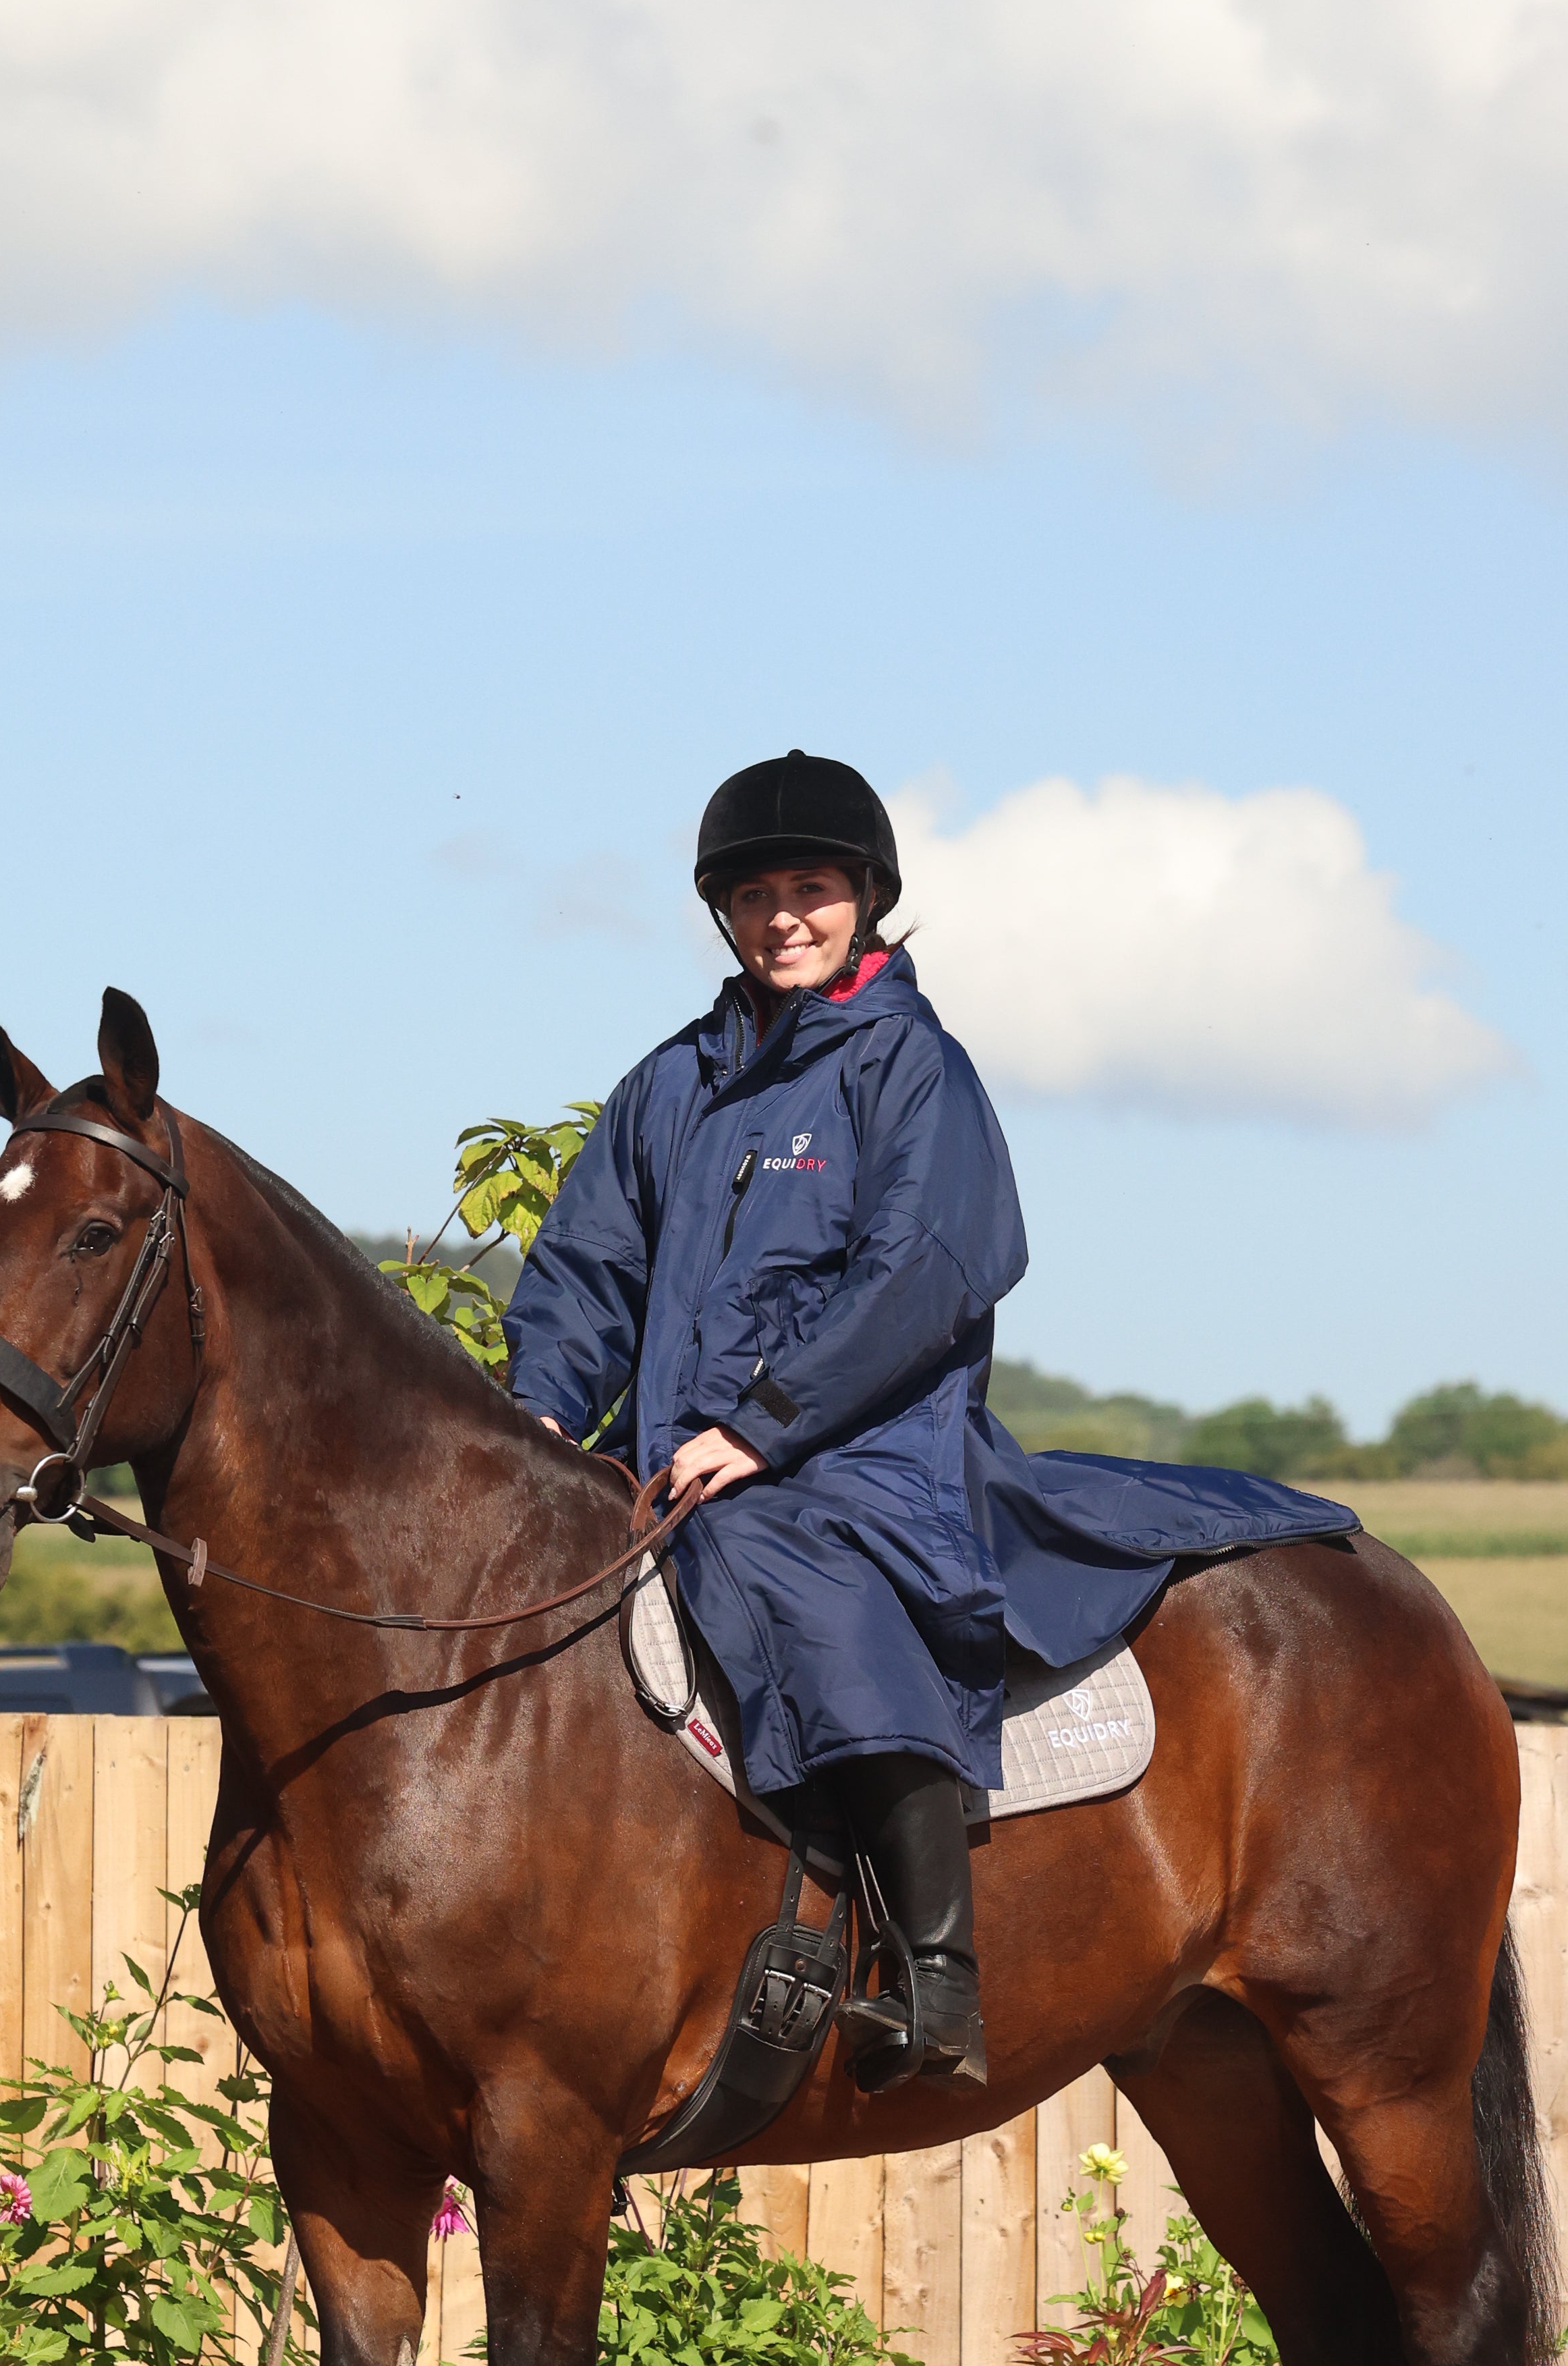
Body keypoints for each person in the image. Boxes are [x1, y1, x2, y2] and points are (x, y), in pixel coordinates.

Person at [504, 750, 1359, 2099]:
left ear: (866, 899)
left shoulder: (913, 1067)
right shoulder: (670, 1085)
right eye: (755, 895)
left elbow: (931, 1267)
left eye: (811, 888)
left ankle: (935, 1972)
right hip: (680, 1455)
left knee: (811, 1586)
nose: (783, 916)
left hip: (863, 1451)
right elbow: (587, 1267)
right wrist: (543, 1412)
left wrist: (765, 1426)